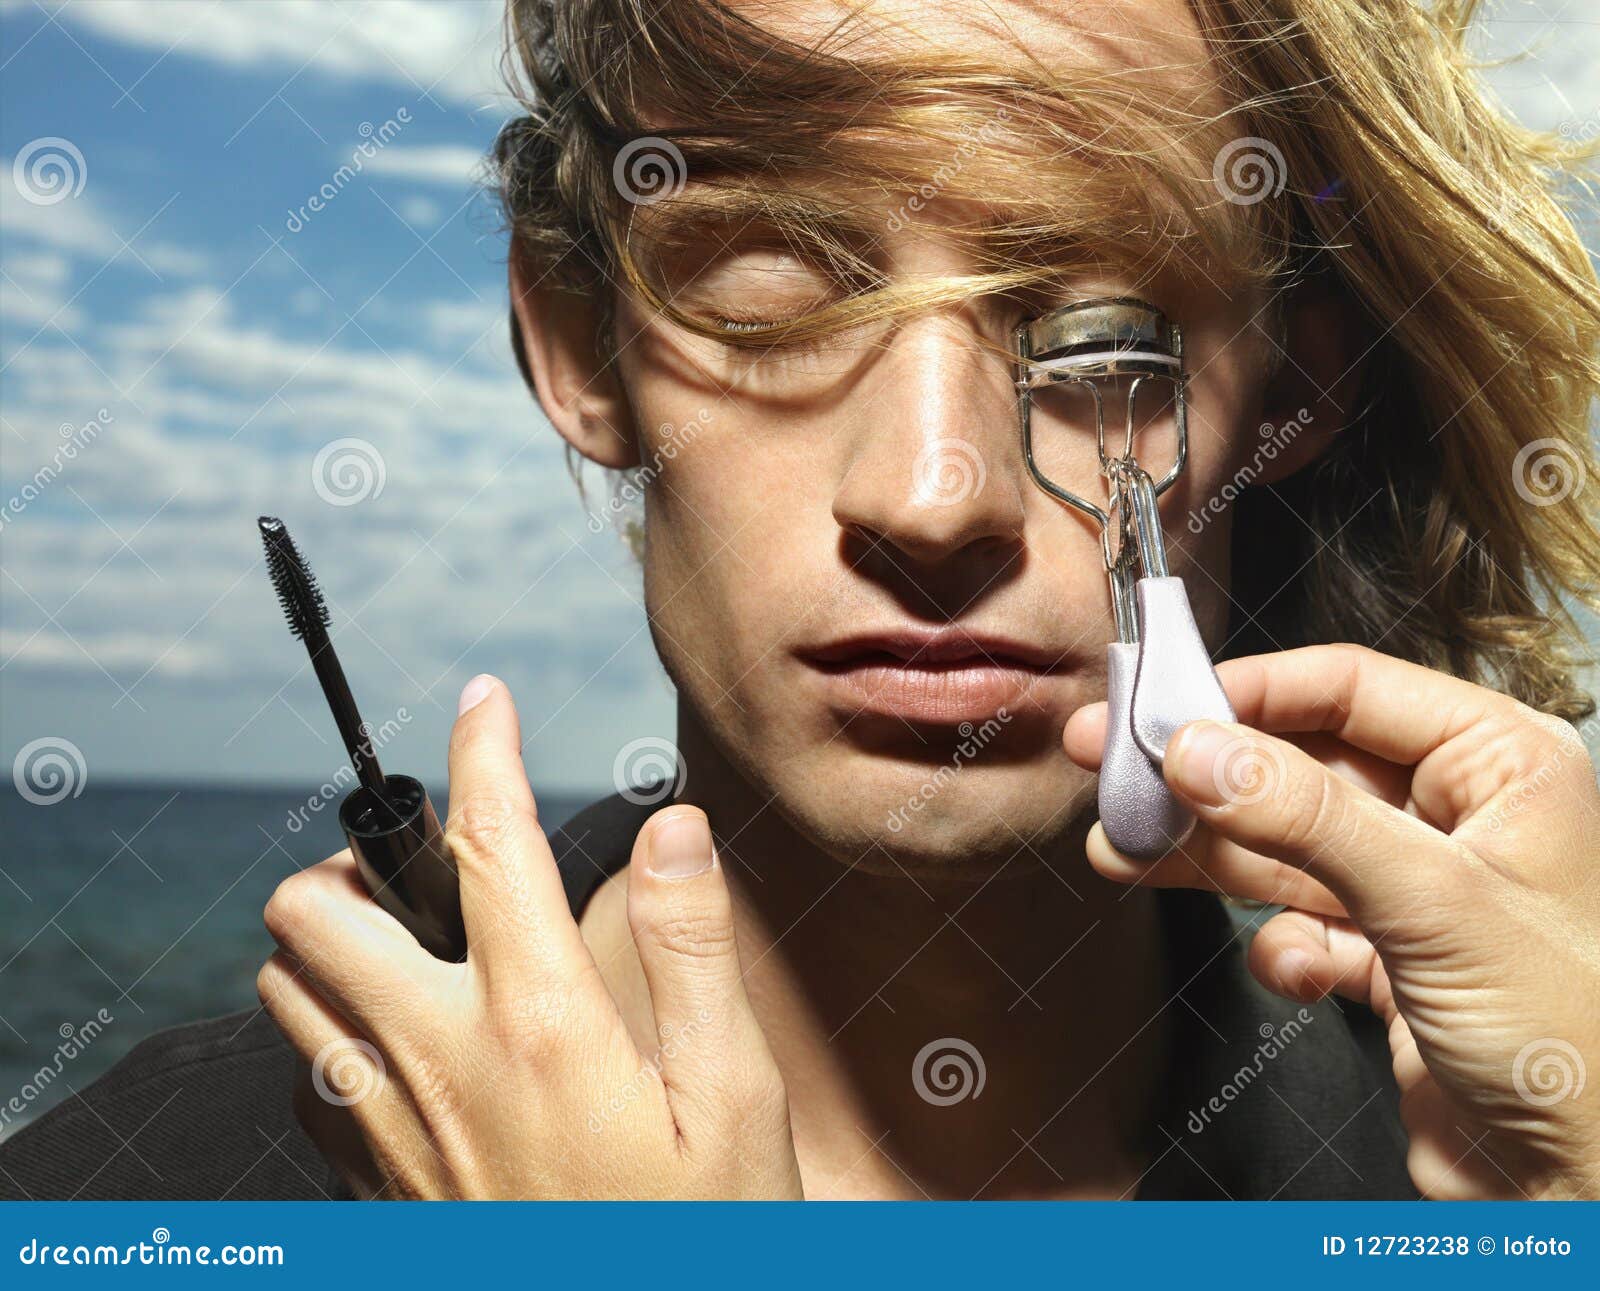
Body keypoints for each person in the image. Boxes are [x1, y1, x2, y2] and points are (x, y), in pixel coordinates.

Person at [4, 0, 1597, 1201]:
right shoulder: (115, 1202)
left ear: (1288, 400)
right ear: (577, 348)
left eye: (1102, 336)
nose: (933, 491)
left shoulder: (1513, 1168)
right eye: (774, 287)